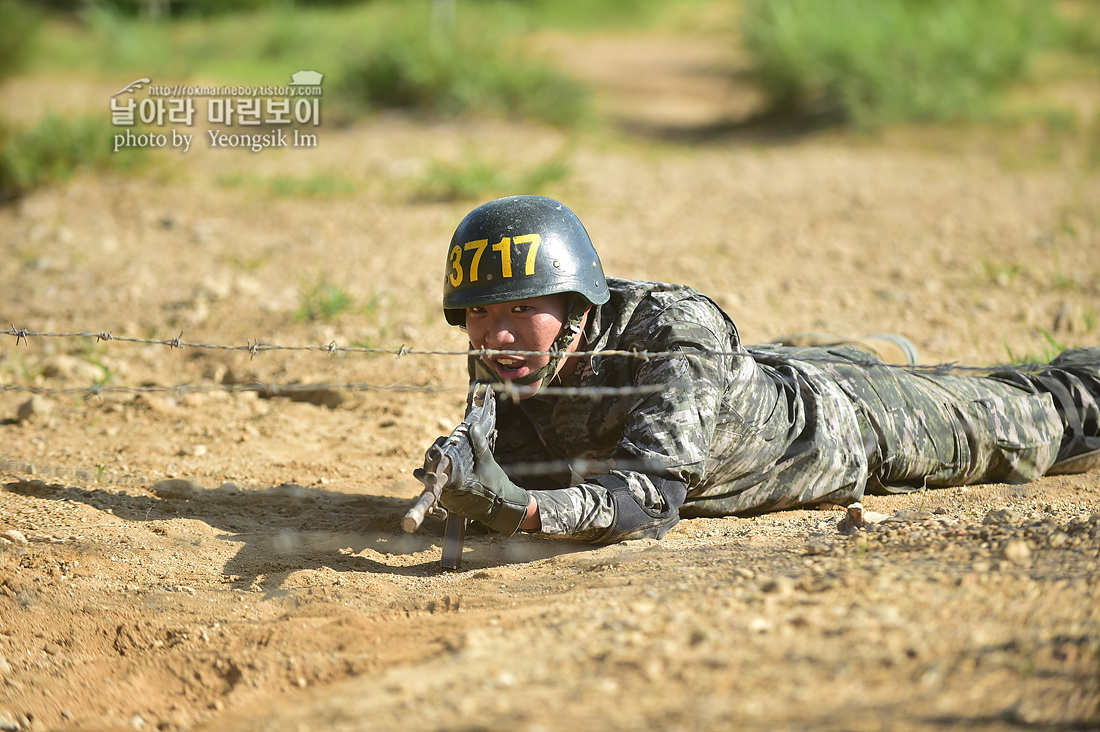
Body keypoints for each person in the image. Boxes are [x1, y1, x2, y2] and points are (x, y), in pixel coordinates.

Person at [424, 195, 1100, 544]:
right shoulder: (510, 348)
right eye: (479, 314)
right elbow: (517, 460)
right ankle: (848, 351)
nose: (497, 332)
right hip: (758, 382)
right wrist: (466, 474)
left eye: (521, 308)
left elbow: (647, 500)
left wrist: (519, 510)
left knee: (1041, 412)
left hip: (837, 428)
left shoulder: (672, 331)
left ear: (576, 306)